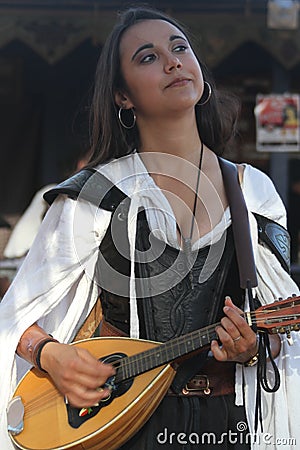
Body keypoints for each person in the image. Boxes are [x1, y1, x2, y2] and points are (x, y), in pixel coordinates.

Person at [0, 6, 299, 450]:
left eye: (180, 48)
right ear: (123, 96)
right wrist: (51, 354)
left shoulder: (252, 192)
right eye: (147, 56)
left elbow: (280, 329)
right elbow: (17, 313)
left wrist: (252, 347)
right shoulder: (97, 195)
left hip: (228, 426)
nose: (174, 60)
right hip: (122, 424)